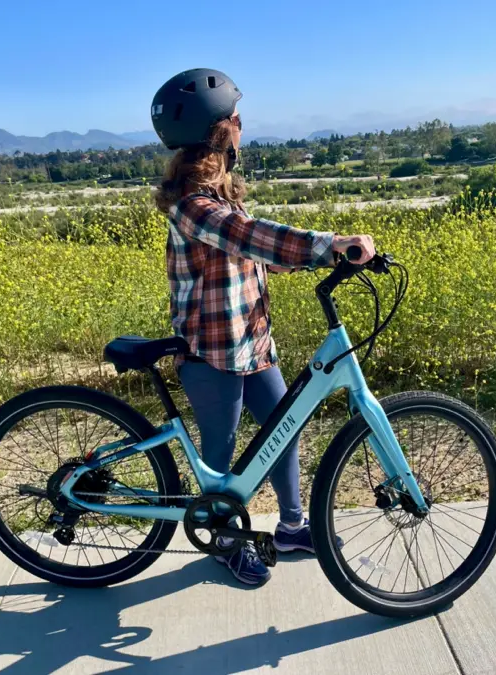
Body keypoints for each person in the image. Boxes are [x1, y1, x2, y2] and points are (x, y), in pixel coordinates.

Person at [151, 69, 374, 586]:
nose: (242, 127)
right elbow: (245, 236)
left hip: (253, 344)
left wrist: (316, 261)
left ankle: (293, 526)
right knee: (222, 451)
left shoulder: (222, 197)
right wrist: (328, 242)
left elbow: (252, 252)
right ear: (220, 132)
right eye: (236, 119)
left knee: (284, 428)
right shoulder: (193, 207)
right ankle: (225, 540)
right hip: (212, 352)